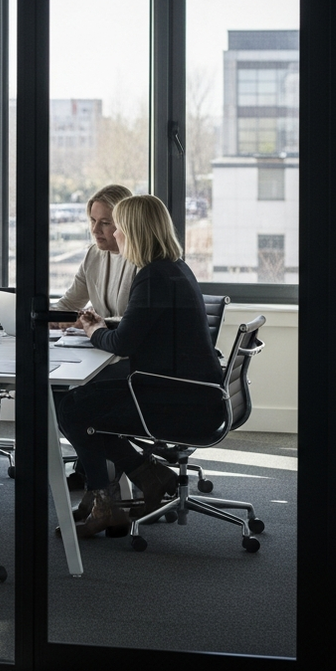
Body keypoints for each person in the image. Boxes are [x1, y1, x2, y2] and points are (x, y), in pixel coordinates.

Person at [57, 195, 225, 537]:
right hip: (187, 390)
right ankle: (146, 475)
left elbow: (122, 344)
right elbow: (140, 327)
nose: (113, 234)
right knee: (78, 401)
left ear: (133, 231)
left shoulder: (152, 277)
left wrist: (95, 330)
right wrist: (103, 326)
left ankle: (107, 502)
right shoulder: (173, 268)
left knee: (74, 411)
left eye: (117, 227)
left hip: (176, 399)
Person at [50, 184, 138, 326]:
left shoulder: (142, 260)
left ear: (126, 223)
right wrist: (48, 317)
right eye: (92, 221)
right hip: (101, 343)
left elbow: (136, 320)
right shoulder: (93, 255)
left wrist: (90, 324)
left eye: (105, 223)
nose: (95, 230)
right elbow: (69, 303)